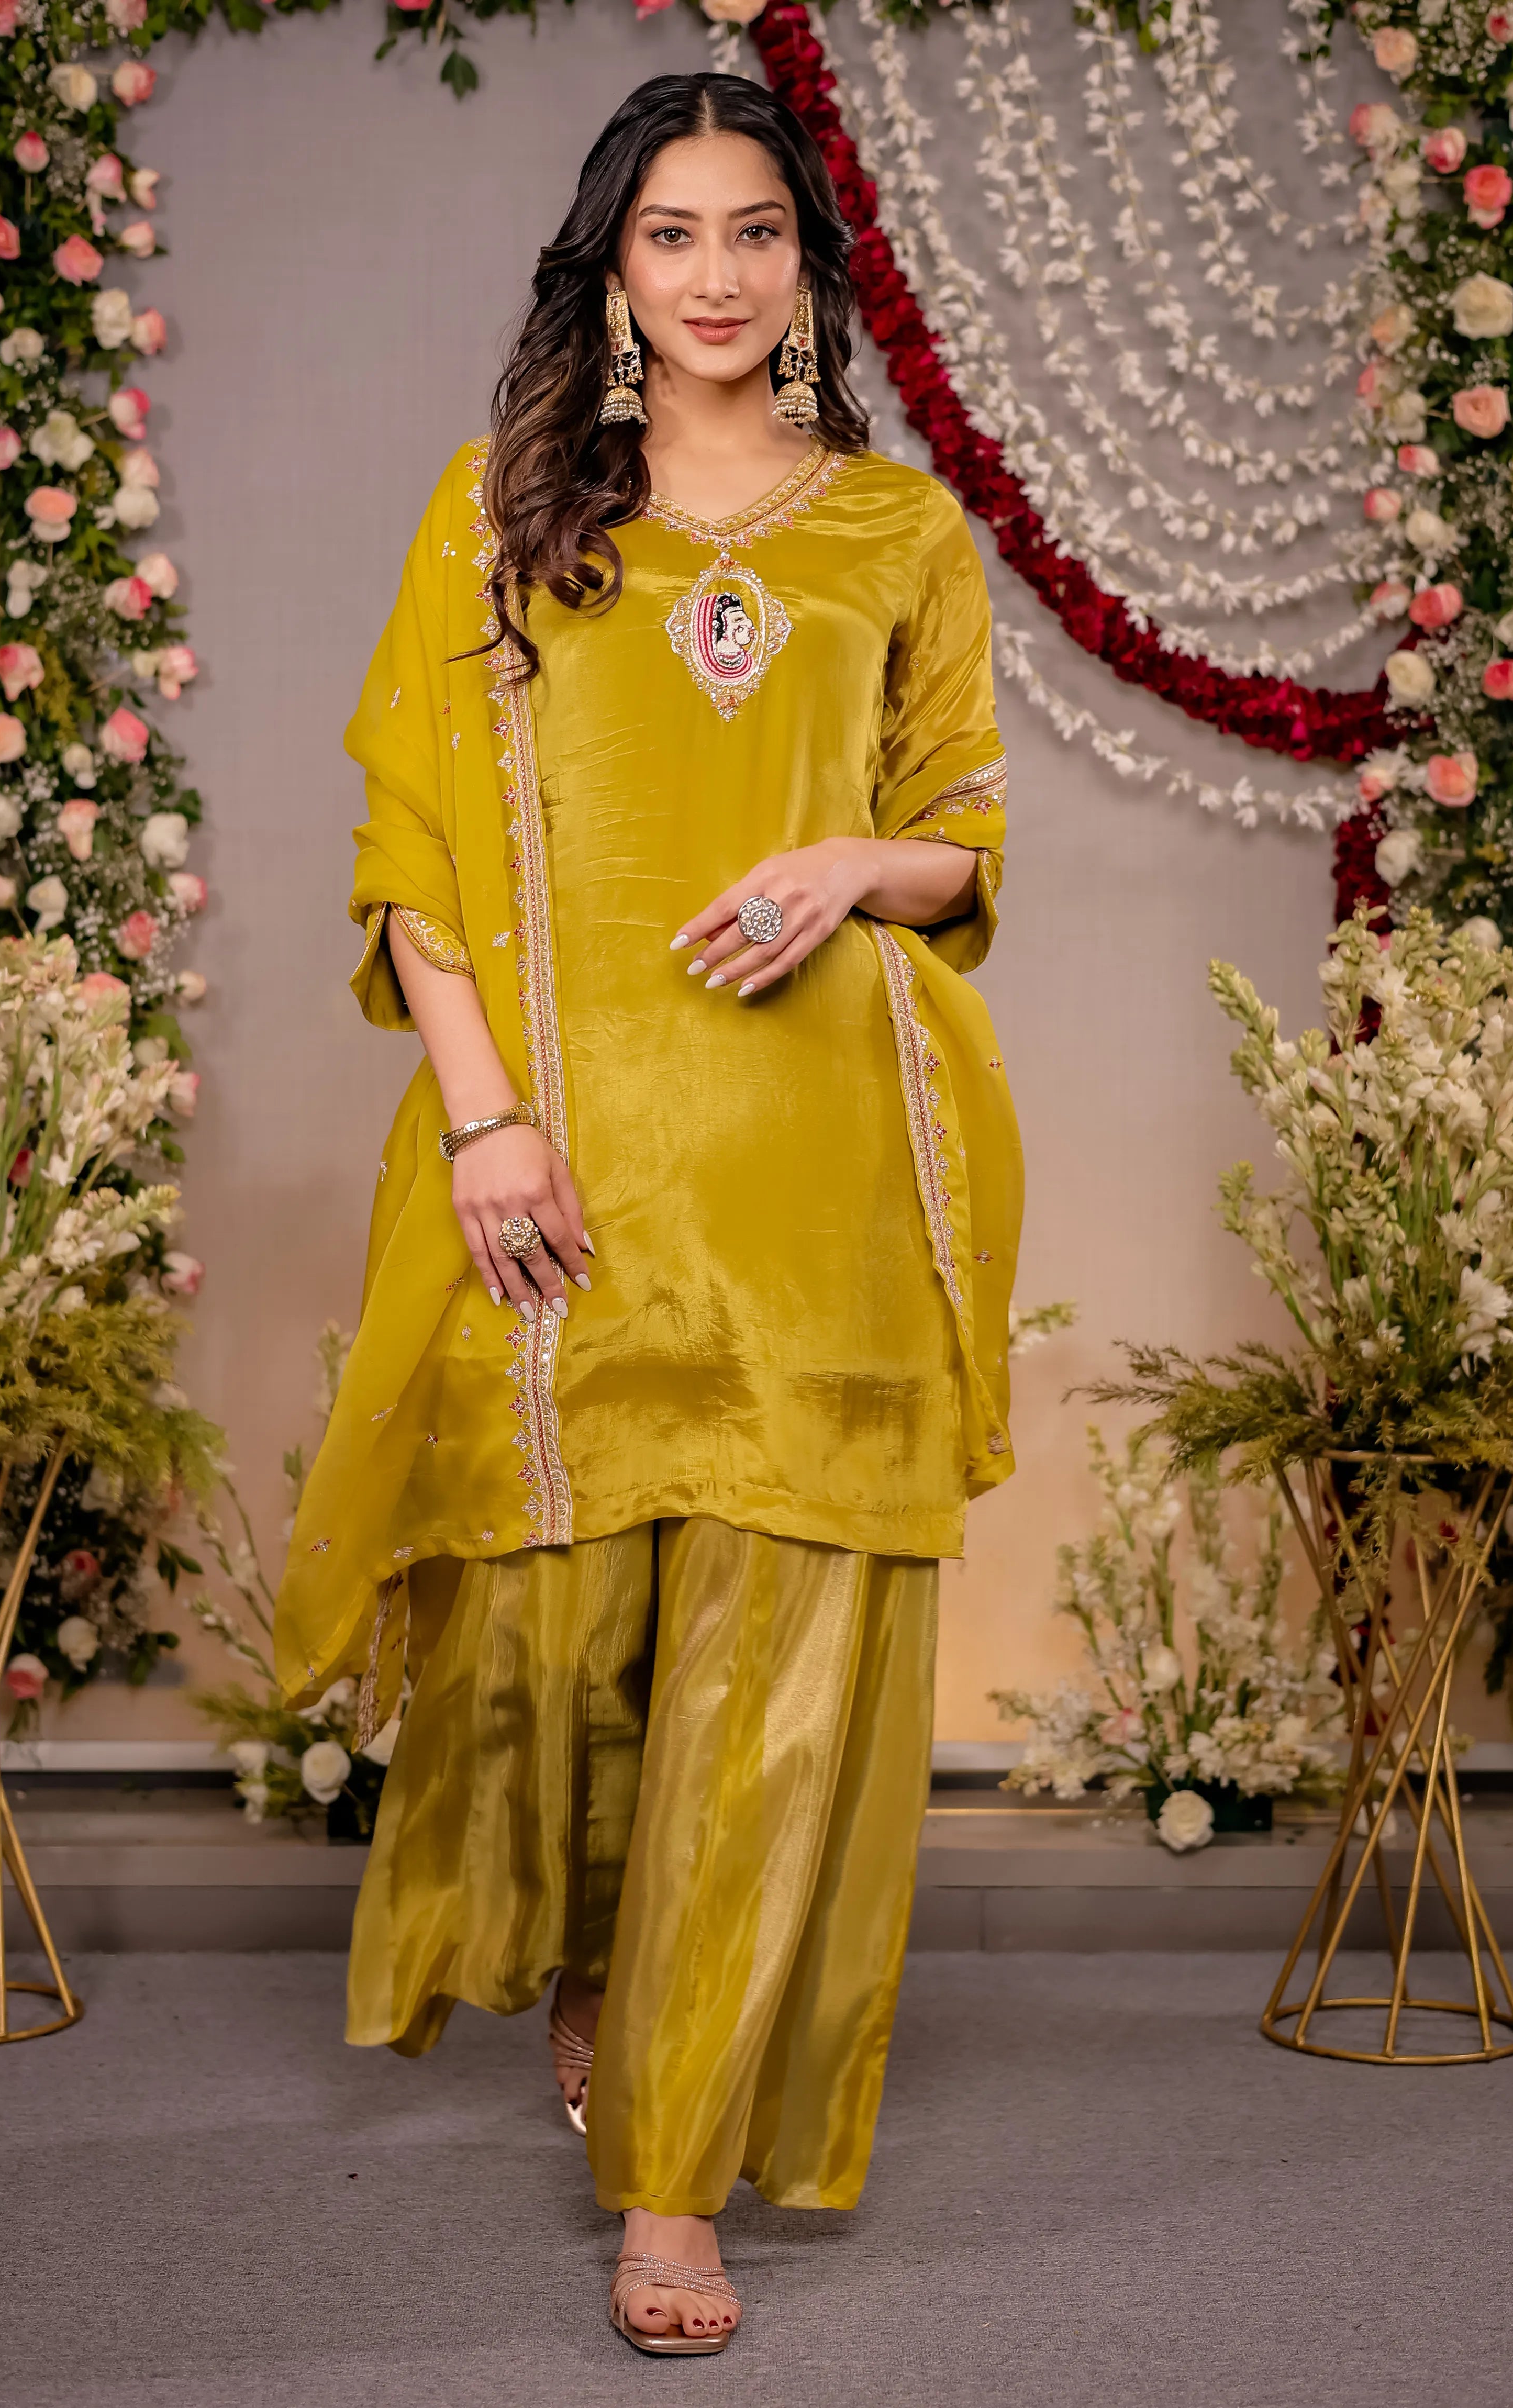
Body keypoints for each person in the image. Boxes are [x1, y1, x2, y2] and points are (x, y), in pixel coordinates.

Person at [274, 70, 1021, 2357]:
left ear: (808, 268)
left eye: (756, 234)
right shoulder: (499, 520)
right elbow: (412, 848)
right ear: (609, 270)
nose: (715, 276)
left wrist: (840, 865)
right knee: (550, 1667)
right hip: (571, 1186)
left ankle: (673, 2182)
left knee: (774, 1694)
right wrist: (487, 1122)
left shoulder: (894, 536)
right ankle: (597, 1962)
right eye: (671, 235)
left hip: (820, 1171)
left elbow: (963, 840)